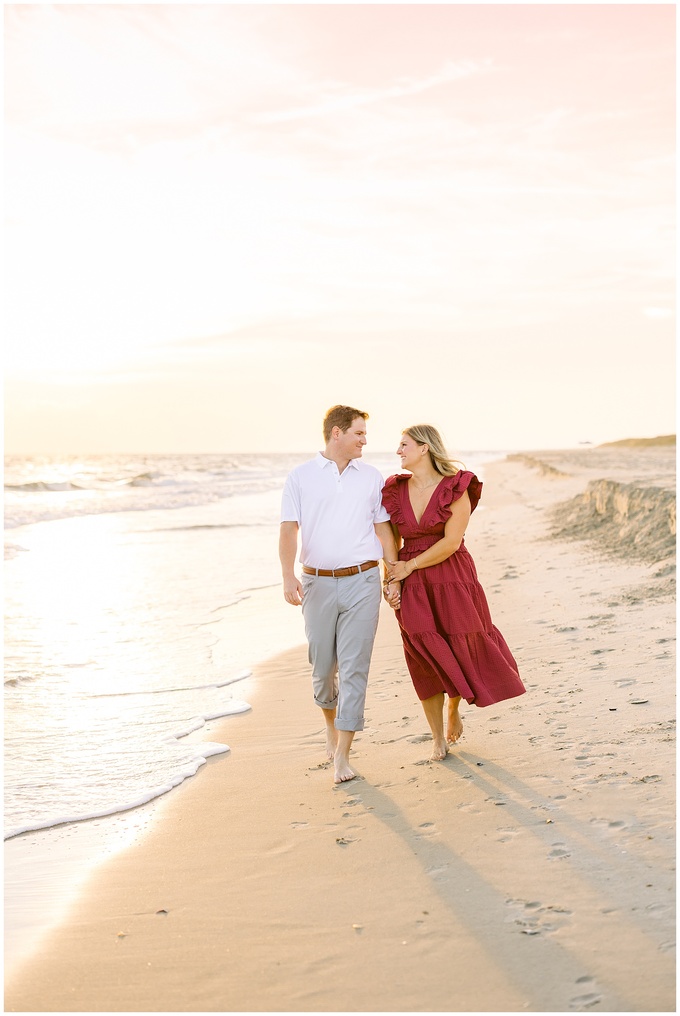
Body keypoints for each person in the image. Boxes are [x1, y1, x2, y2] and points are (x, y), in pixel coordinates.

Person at [382, 424, 525, 762]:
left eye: (404, 445)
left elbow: (451, 541)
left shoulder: (455, 487)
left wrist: (409, 566)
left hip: (451, 573)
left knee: (456, 642)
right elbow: (388, 541)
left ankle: (453, 707)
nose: (398, 451)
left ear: (424, 449)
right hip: (410, 577)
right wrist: (390, 578)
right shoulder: (392, 489)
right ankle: (436, 738)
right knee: (420, 650)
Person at [279, 405, 400, 784]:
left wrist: (391, 575)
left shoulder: (371, 477)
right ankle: (331, 728)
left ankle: (343, 755)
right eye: (359, 433)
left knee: (354, 668)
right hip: (316, 582)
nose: (365, 440)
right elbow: (288, 531)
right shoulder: (300, 477)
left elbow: (384, 531)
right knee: (322, 668)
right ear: (336, 433)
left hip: (362, 581)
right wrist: (287, 576)